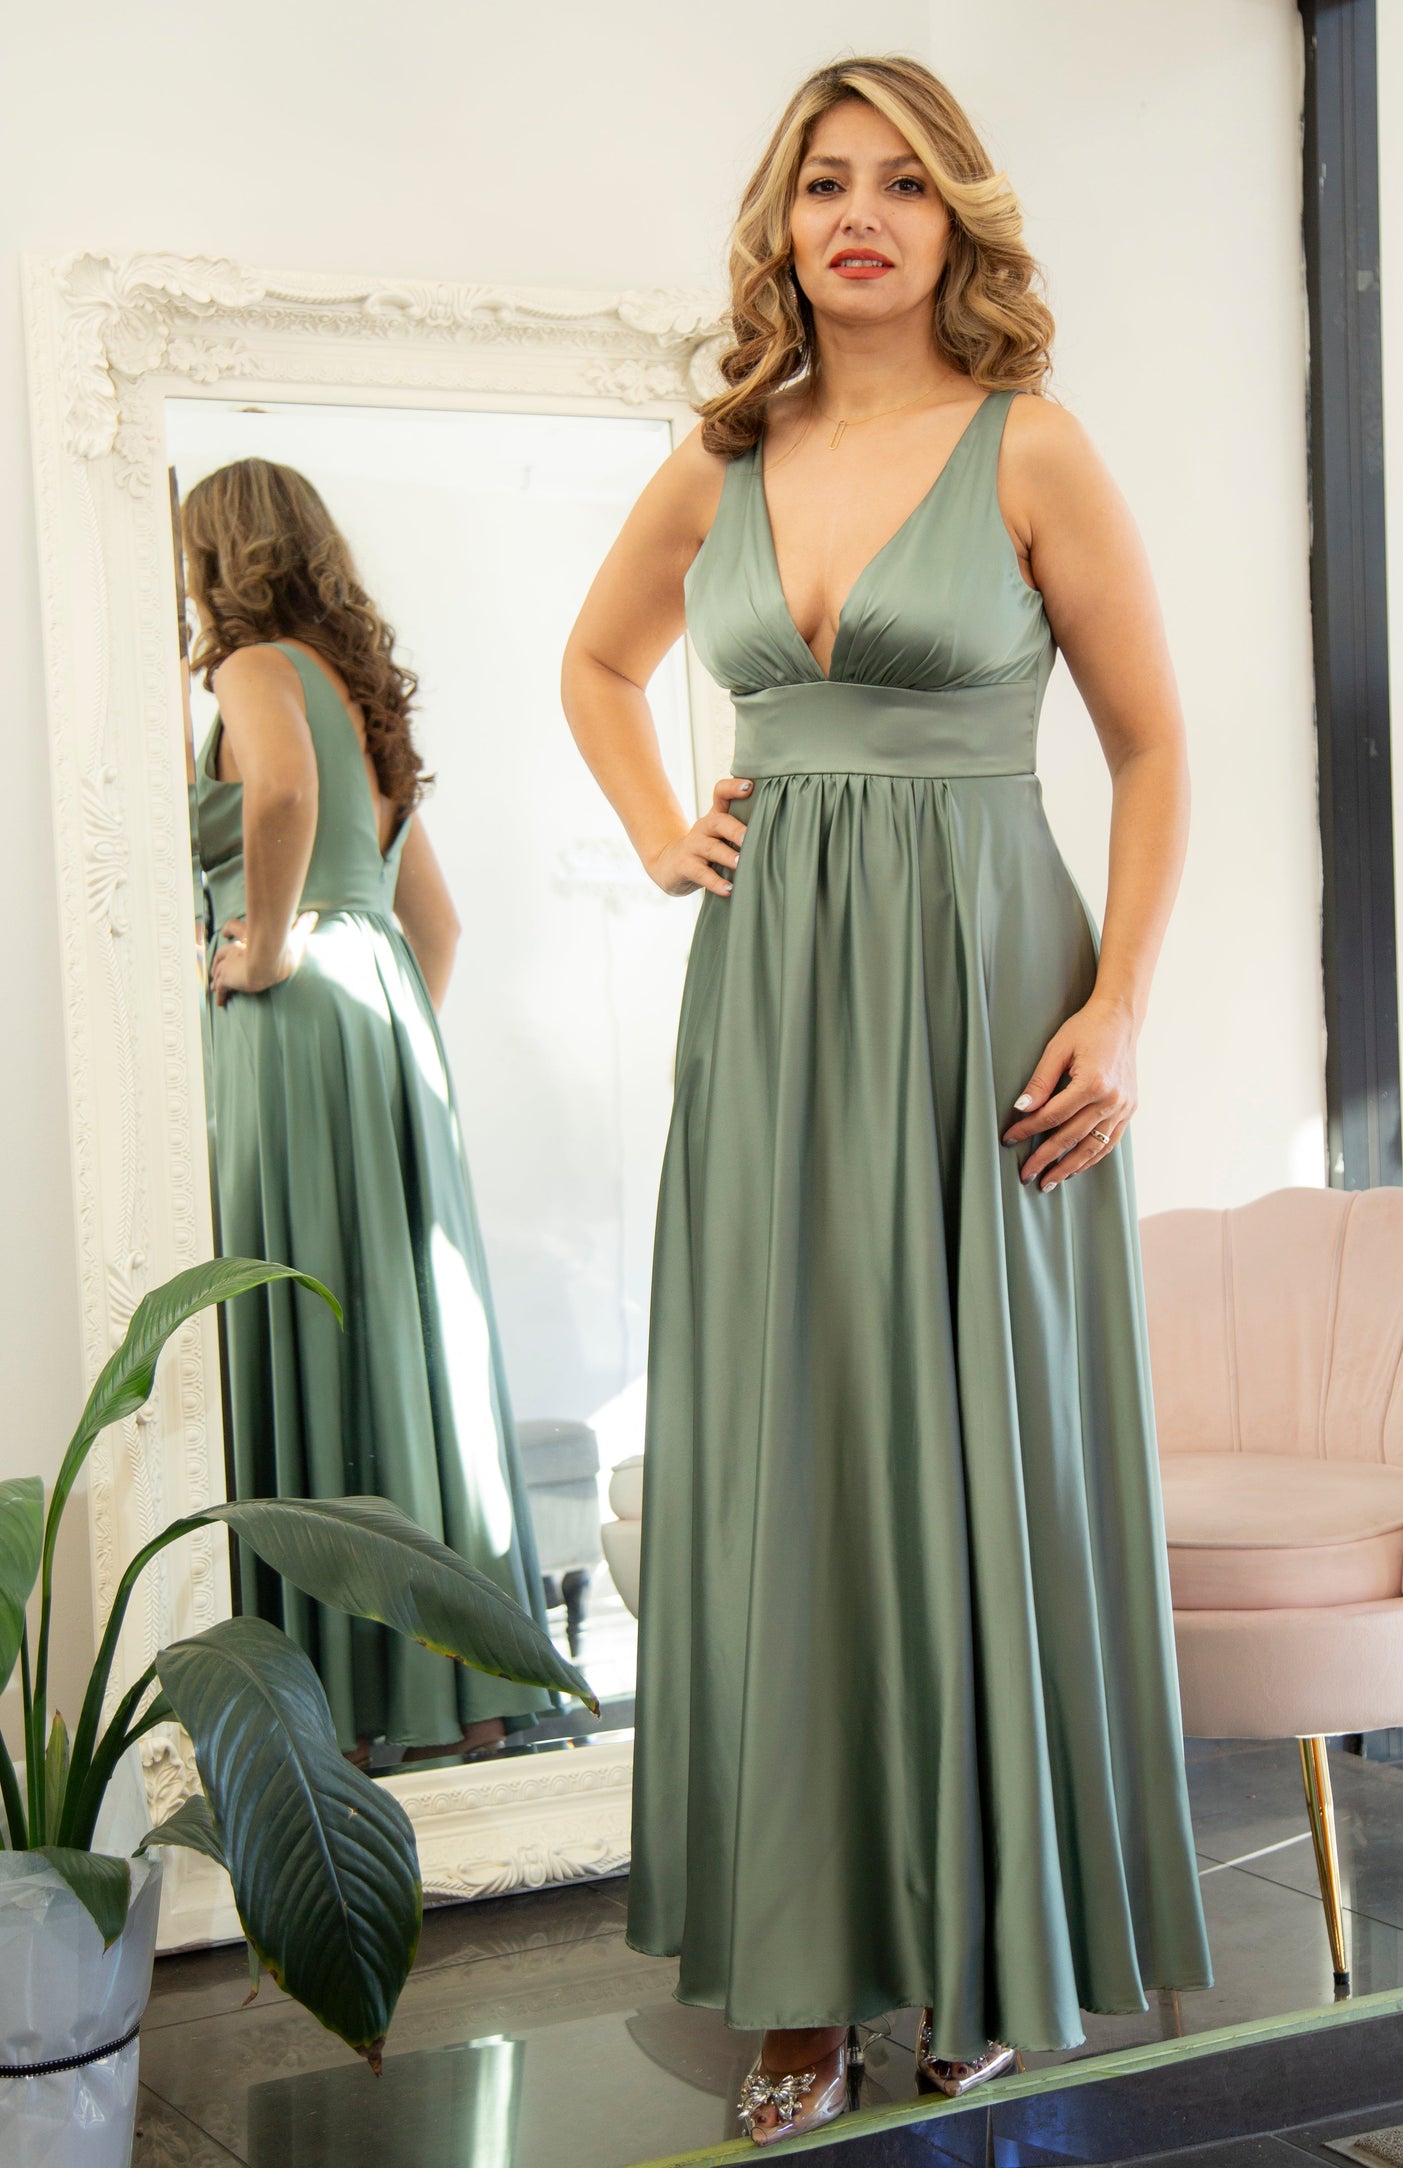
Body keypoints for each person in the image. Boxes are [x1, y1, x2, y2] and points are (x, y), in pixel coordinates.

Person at [561, 52, 1213, 2147]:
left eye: (904, 184)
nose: (862, 214)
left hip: (984, 997)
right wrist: (665, 823)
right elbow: (594, 663)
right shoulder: (719, 459)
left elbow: (1152, 748)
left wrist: (1119, 1002)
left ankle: (996, 1945)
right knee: (794, 1454)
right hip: (770, 1015)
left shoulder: (1033, 448)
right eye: (825, 182)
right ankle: (800, 1974)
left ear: (957, 225)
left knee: (978, 1446)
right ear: (781, 224)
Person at [185, 456, 556, 1767]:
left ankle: (342, 1704)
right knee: (411, 1348)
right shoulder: (365, 697)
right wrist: (383, 1046)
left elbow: (277, 798)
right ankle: (480, 1692)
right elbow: (435, 925)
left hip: (296, 1019)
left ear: (212, 555)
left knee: (306, 1320)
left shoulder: (248, 668)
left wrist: (270, 951)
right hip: (387, 1019)